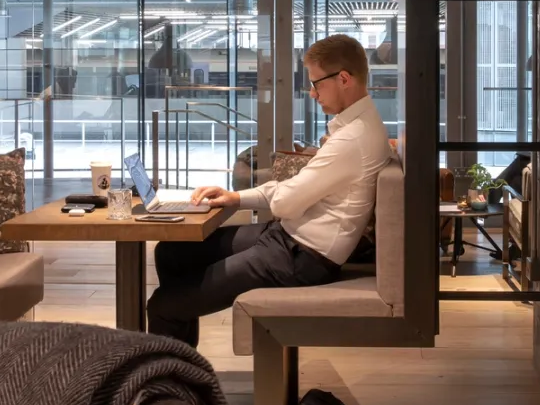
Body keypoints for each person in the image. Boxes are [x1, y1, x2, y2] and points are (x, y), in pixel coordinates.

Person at [147, 34, 392, 347]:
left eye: (317, 83)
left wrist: (250, 199)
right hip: (288, 238)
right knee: (171, 251)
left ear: (343, 78)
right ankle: (183, 356)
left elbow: (287, 202)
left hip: (301, 258)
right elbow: (291, 191)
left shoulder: (352, 140)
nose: (313, 93)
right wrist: (235, 197)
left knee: (163, 306)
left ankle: (174, 375)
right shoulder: (356, 127)